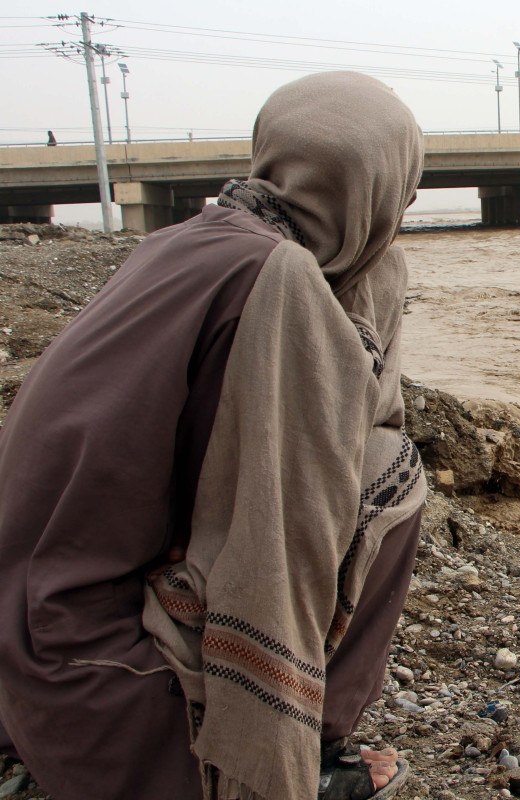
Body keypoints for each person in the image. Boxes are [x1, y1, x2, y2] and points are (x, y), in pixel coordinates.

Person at [0, 72, 427, 800]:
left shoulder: (188, 241)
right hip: (93, 685)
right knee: (389, 478)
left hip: (24, 641)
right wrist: (272, 755)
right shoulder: (278, 282)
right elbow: (282, 543)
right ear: (378, 191)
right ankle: (287, 753)